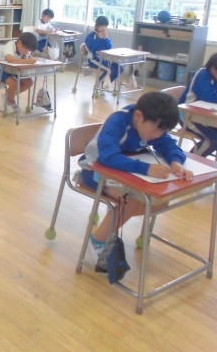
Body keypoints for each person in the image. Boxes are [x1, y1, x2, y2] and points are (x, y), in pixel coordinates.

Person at [79, 91, 193, 259]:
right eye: (156, 130)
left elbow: (169, 145)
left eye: (163, 131)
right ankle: (97, 241)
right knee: (131, 200)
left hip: (125, 172)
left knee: (159, 201)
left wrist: (176, 162)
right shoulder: (118, 121)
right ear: (138, 116)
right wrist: (146, 168)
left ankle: (112, 219)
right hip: (95, 170)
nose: (158, 135)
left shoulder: (152, 123)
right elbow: (108, 157)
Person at [0, 31, 39, 111]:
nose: (27, 52)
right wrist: (27, 61)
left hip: (13, 70)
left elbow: (27, 59)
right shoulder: (10, 45)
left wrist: (27, 58)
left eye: (29, 50)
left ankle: (9, 96)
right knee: (14, 83)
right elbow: (10, 59)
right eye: (26, 49)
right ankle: (11, 99)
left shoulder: (25, 50)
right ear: (19, 43)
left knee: (30, 82)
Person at [85, 15, 121, 86]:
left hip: (104, 59)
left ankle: (104, 83)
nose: (103, 28)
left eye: (105, 26)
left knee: (119, 67)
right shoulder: (91, 36)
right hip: (94, 60)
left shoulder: (105, 36)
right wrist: (98, 38)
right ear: (96, 26)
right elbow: (91, 48)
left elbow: (108, 47)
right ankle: (98, 85)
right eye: (101, 26)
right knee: (109, 70)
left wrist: (105, 38)